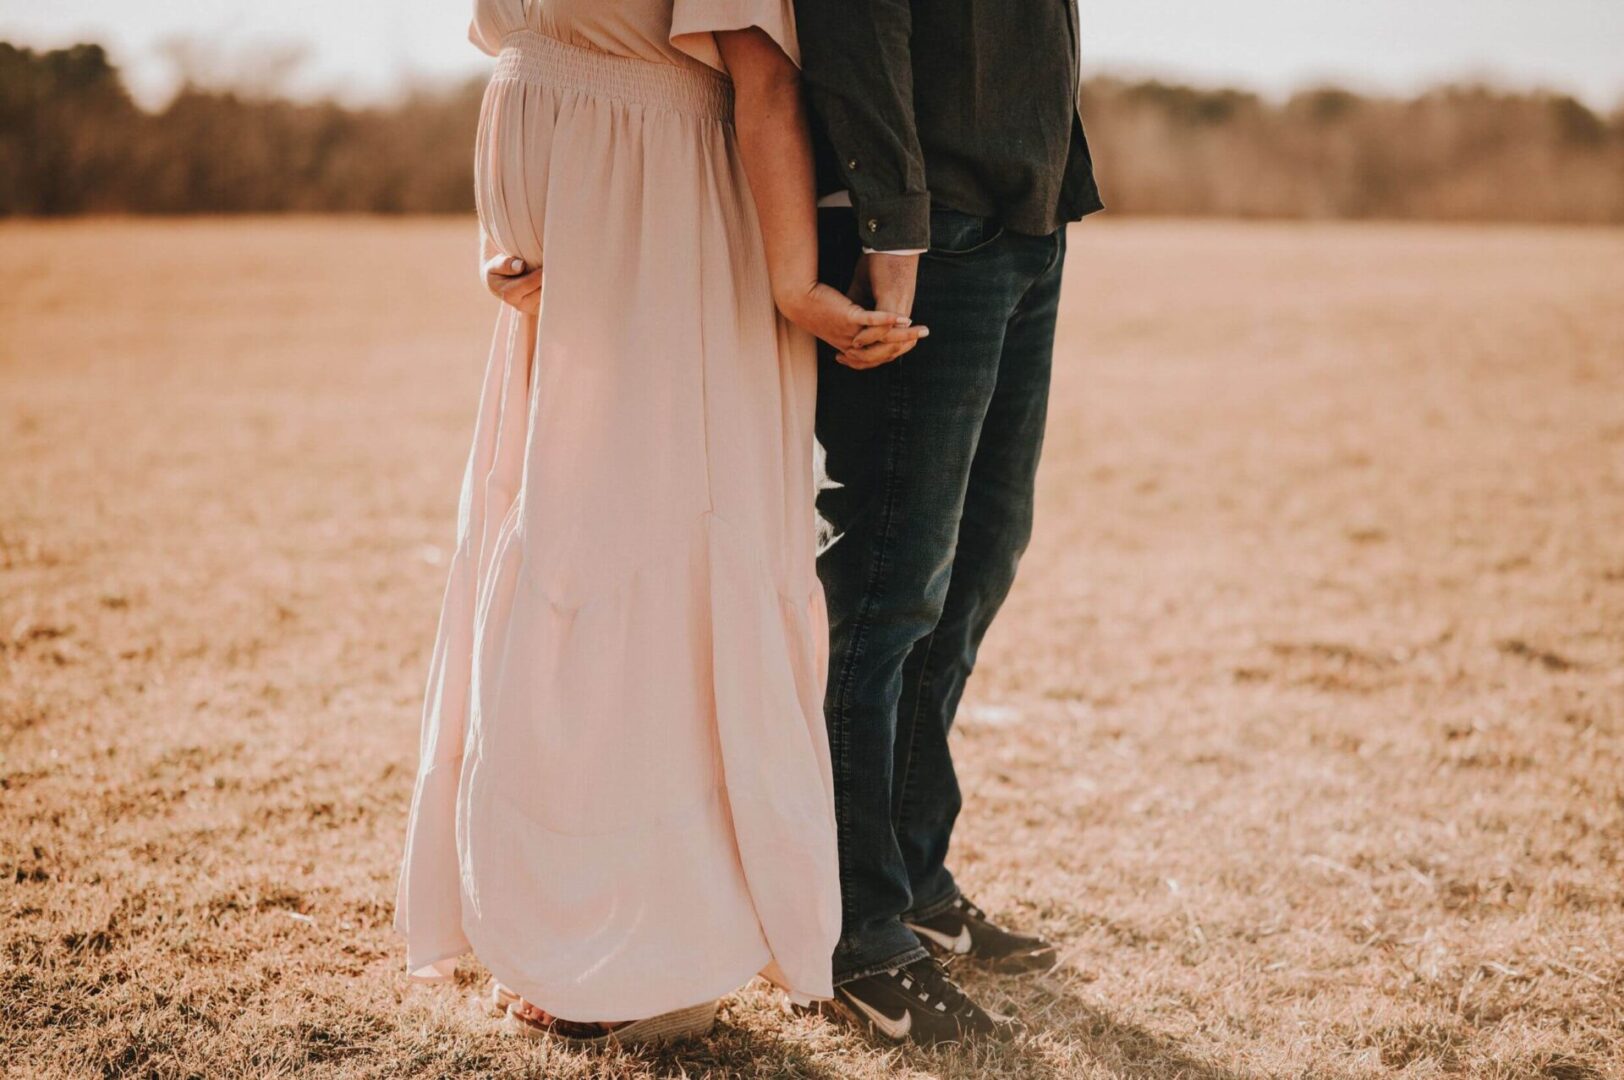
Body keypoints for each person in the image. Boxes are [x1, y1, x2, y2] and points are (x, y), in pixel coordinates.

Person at [394, 0, 927, 1047]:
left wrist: (791, 280)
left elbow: (763, 81)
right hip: (578, 244)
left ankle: (641, 944)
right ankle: (554, 923)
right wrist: (501, 234)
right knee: (557, 557)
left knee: (633, 560)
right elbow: (524, 59)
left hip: (665, 229)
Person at [793, 0, 1105, 1044]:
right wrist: (893, 225)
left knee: (976, 564)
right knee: (889, 584)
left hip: (1028, 211)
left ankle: (916, 876)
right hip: (926, 226)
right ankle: (851, 929)